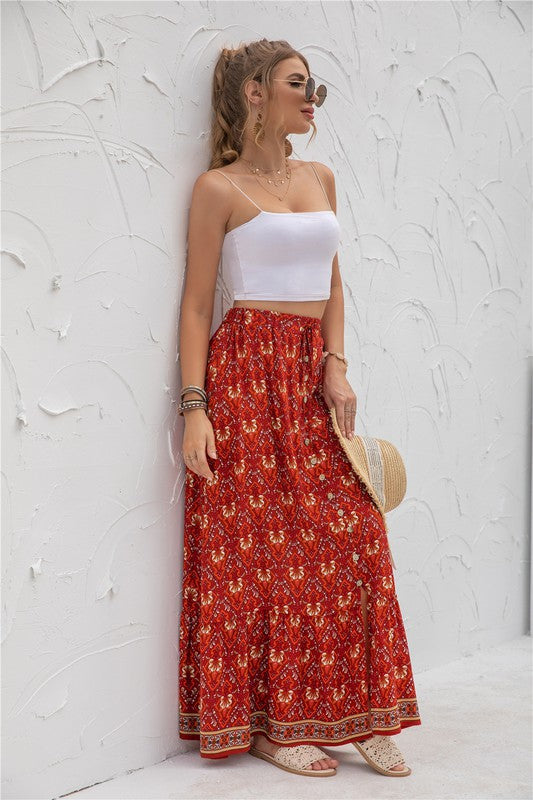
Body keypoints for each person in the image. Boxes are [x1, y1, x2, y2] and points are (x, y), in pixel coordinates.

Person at [177, 38, 421, 778]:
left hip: (308, 371)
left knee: (354, 532)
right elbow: (195, 307)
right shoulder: (216, 188)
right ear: (254, 93)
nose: (312, 95)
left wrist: (335, 365)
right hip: (246, 372)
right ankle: (273, 727)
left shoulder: (320, 176)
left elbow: (333, 284)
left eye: (314, 84)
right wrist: (195, 408)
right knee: (259, 553)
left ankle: (362, 712)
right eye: (296, 83)